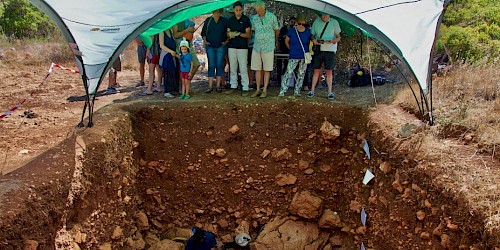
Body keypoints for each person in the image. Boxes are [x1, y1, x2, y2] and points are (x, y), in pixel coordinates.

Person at [308, 13, 341, 100]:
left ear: (329, 15)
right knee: (316, 70)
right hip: (319, 48)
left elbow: (338, 37)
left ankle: (330, 92)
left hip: (330, 49)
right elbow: (312, 35)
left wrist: (334, 41)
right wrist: (314, 40)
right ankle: (312, 90)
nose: (324, 17)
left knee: (329, 71)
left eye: (326, 15)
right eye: (322, 15)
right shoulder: (316, 22)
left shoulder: (334, 22)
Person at [249, 1, 279, 98]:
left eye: (261, 10)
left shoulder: (272, 17)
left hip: (268, 46)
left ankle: (265, 90)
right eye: (257, 11)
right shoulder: (254, 18)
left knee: (267, 69)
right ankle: (258, 89)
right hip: (257, 46)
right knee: (257, 68)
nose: (259, 12)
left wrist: (274, 41)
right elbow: (254, 30)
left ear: (264, 8)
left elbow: (276, 30)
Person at [278, 15, 311, 97]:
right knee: (288, 72)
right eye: (299, 23)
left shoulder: (307, 32)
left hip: (303, 56)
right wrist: (291, 49)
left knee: (301, 74)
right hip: (294, 55)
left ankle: (297, 91)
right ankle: (283, 90)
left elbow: (310, 42)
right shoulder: (292, 31)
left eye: (303, 24)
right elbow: (286, 41)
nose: (301, 25)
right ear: (296, 23)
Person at [226, 1, 251, 96]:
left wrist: (238, 34)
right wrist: (230, 34)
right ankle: (233, 85)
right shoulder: (230, 20)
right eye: (236, 10)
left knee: (243, 67)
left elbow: (248, 34)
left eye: (240, 10)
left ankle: (245, 87)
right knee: (232, 67)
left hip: (242, 47)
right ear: (233, 10)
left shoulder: (246, 19)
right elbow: (227, 33)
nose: (238, 12)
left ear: (242, 9)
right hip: (232, 47)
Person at [201, 9, 228, 93]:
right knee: (211, 65)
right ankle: (210, 87)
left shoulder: (224, 21)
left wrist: (226, 41)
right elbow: (203, 33)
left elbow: (228, 32)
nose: (217, 13)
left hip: (221, 46)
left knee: (219, 65)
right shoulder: (208, 20)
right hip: (210, 46)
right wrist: (205, 41)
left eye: (219, 12)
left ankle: (218, 86)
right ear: (213, 12)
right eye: (215, 12)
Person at [159, 27, 179, 98]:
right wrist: (170, 51)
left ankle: (173, 89)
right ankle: (167, 91)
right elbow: (161, 45)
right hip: (166, 56)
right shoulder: (162, 31)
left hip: (173, 55)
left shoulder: (170, 30)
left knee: (174, 72)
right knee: (167, 72)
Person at [277, 16, 295, 85]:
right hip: (282, 50)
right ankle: (279, 80)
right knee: (279, 65)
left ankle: (286, 81)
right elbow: (279, 39)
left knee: (287, 65)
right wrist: (278, 48)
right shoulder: (283, 29)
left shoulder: (294, 30)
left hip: (290, 50)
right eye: (291, 22)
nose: (292, 23)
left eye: (294, 22)